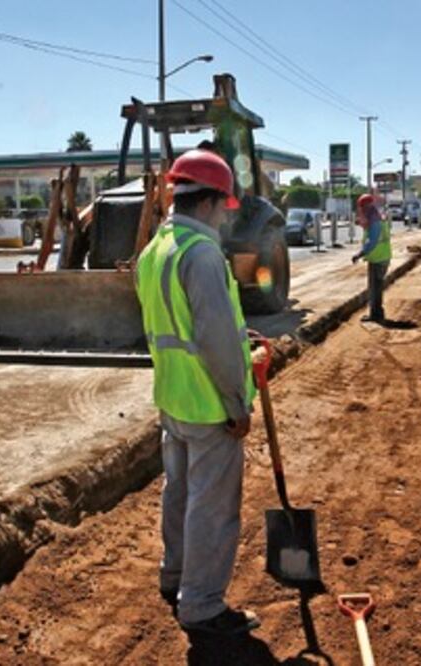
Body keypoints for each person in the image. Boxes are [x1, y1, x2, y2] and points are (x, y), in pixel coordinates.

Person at [135, 149, 260, 636]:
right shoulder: (203, 253)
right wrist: (236, 403)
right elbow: (210, 338)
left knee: (180, 494)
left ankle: (175, 577)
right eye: (222, 209)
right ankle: (203, 604)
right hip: (209, 405)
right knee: (211, 507)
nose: (223, 220)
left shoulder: (155, 250)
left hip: (172, 398)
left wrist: (237, 336)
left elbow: (178, 325)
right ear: (208, 203)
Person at [352, 193, 392, 322]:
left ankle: (376, 315)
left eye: (362, 208)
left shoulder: (374, 222)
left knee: (375, 289)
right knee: (376, 288)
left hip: (378, 259)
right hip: (382, 257)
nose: (361, 211)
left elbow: (372, 241)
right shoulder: (377, 218)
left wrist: (360, 254)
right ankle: (376, 313)